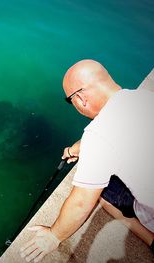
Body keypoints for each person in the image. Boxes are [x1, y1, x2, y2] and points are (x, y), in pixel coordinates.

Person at [20, 59, 154, 262]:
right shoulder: (144, 98)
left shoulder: (97, 135)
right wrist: (79, 147)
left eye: (69, 100)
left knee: (104, 192)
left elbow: (82, 202)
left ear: (80, 98)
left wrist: (54, 236)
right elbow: (117, 126)